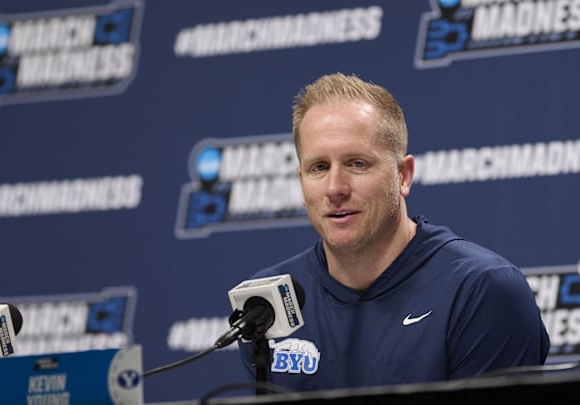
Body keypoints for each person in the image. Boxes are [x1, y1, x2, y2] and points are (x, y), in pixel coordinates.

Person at [236, 72, 550, 393]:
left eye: (357, 164)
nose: (335, 188)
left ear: (403, 176)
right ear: (300, 181)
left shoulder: (480, 291)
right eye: (319, 168)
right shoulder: (266, 306)